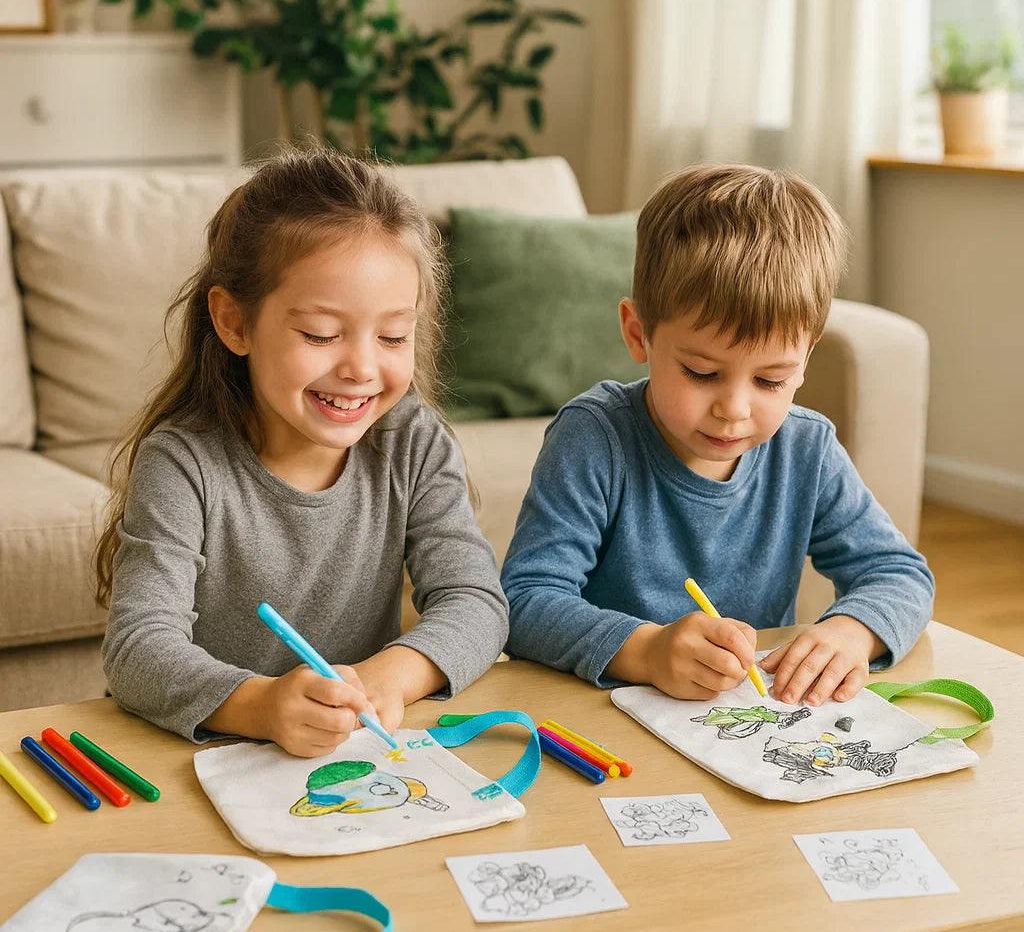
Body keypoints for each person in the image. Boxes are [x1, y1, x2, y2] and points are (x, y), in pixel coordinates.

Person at [96, 148, 508, 756]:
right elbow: (138, 647)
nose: (362, 368)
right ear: (233, 323)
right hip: (199, 761)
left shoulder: (412, 442)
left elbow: (476, 601)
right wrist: (262, 705)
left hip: (345, 755)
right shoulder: (184, 461)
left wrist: (386, 679)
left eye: (394, 336)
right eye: (320, 334)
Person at [501, 163, 934, 708]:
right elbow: (523, 600)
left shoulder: (807, 448)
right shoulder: (595, 437)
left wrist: (851, 632)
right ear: (639, 334)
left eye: (771, 380)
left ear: (805, 360)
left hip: (740, 731)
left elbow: (899, 573)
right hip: (600, 722)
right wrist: (650, 651)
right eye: (702, 373)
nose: (734, 409)